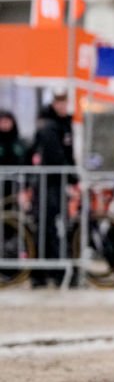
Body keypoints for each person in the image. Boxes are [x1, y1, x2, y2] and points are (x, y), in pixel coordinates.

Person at [29, 90, 76, 287]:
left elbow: (68, 155)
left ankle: (51, 271)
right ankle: (47, 272)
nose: (61, 106)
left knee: (53, 228)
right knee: (48, 228)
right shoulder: (48, 126)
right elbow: (56, 157)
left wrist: (74, 179)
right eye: (58, 102)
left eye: (64, 102)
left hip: (58, 184)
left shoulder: (65, 125)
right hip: (48, 185)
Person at [0, 110, 29, 199]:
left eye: (7, 121)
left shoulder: (20, 143)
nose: (5, 124)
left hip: (16, 184)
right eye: (2, 121)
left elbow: (26, 162)